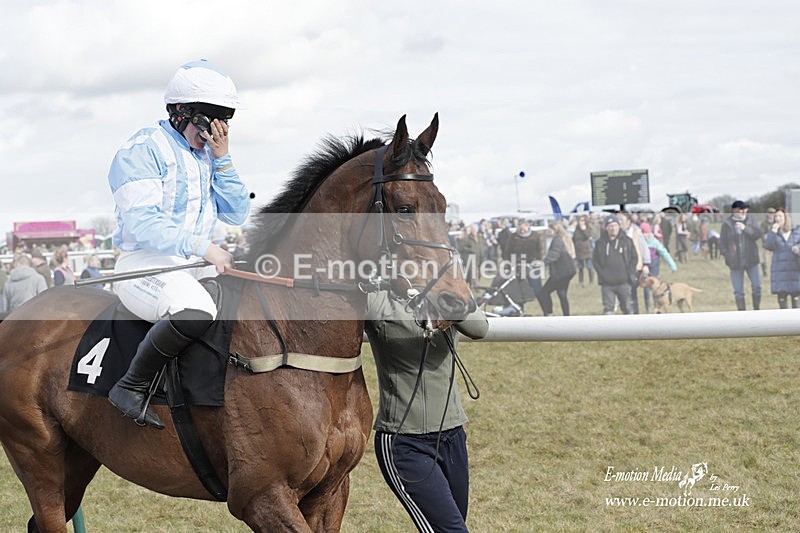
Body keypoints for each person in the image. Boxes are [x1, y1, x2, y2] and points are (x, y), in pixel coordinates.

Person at [106, 59, 250, 429]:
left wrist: (224, 161)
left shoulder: (207, 157)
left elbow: (235, 213)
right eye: (209, 122)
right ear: (181, 112)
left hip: (190, 264)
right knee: (195, 309)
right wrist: (205, 247)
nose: (214, 133)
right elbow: (143, 222)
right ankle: (130, 387)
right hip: (144, 263)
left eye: (223, 124)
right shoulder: (142, 148)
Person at [365, 290, 488, 533]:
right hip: (404, 443)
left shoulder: (448, 290)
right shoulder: (377, 298)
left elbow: (480, 328)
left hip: (453, 436)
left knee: (452, 525)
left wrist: (451, 308)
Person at [719, 200, 762, 311]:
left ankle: (756, 311)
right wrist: (727, 255)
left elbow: (757, 235)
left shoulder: (751, 221)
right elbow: (722, 242)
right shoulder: (727, 224)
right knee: (738, 291)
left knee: (757, 287)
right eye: (740, 209)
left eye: (744, 209)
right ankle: (742, 314)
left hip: (751, 260)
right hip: (735, 261)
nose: (743, 211)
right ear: (734, 210)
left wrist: (745, 228)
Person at [593, 215, 638, 315]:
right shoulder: (600, 243)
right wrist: (602, 274)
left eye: (615, 225)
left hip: (624, 282)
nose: (613, 228)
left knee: (627, 309)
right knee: (608, 310)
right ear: (606, 228)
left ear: (619, 226)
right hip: (607, 284)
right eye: (610, 226)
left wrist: (629, 273)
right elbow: (595, 261)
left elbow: (634, 258)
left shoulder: (627, 241)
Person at [762, 208, 800, 309]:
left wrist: (798, 249)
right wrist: (773, 231)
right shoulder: (774, 233)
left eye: (780, 216)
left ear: (786, 218)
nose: (777, 218)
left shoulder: (796, 231)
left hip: (794, 271)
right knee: (782, 305)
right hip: (780, 272)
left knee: (796, 305)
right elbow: (768, 246)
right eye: (776, 217)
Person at [537, 221, 577, 316]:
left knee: (544, 292)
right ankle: (566, 316)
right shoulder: (562, 238)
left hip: (561, 272)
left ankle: (549, 313)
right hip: (567, 271)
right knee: (562, 294)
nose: (549, 231)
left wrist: (542, 264)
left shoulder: (557, 239)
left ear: (556, 230)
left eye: (551, 229)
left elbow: (554, 255)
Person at [639, 222, 677, 313]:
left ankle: (657, 307)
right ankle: (648, 307)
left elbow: (664, 253)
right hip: (644, 266)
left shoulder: (655, 242)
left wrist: (672, 265)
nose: (646, 235)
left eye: (648, 233)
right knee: (646, 287)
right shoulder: (639, 242)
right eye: (644, 233)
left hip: (654, 265)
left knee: (655, 287)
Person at [618, 212, 650, 314]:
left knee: (631, 292)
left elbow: (644, 248)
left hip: (636, 267)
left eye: (621, 220)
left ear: (628, 222)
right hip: (622, 268)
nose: (618, 222)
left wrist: (645, 264)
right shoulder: (617, 233)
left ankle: (635, 315)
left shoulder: (636, 232)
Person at [572, 215, 594, 287]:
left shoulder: (588, 228)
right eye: (580, 220)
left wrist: (583, 229)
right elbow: (574, 239)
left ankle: (591, 282)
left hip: (587, 251)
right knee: (580, 268)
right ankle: (581, 283)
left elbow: (587, 236)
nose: (581, 222)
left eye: (582, 220)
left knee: (589, 267)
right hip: (579, 251)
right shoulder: (576, 229)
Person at [760, 207, 776, 278]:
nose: (771, 215)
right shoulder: (764, 223)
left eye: (772, 213)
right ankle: (765, 271)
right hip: (766, 243)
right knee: (765, 258)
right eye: (770, 213)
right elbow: (762, 233)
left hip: (775, 243)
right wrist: (765, 239)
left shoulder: (777, 223)